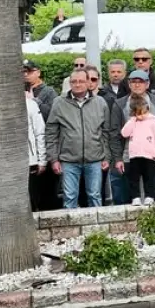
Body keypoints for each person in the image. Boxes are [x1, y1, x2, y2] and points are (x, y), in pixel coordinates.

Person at [45, 69, 111, 209]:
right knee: (69, 197)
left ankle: (97, 229)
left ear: (88, 82)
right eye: (74, 81)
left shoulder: (100, 103)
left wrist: (107, 157)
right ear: (69, 83)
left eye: (81, 81)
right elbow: (51, 132)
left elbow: (106, 132)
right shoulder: (59, 103)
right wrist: (54, 159)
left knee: (95, 195)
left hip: (95, 158)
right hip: (68, 159)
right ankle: (71, 230)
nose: (77, 84)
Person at [120, 93, 155, 205]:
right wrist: (133, 120)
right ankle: (136, 197)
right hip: (135, 155)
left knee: (149, 177)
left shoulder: (153, 121)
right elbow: (124, 133)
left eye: (144, 112)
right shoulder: (133, 122)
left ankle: (150, 196)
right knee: (134, 178)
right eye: (138, 113)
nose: (142, 116)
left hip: (150, 155)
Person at [25, 83, 47, 210]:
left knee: (32, 198)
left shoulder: (31, 104)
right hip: (8, 163)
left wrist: (42, 160)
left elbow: (40, 132)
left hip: (30, 161)